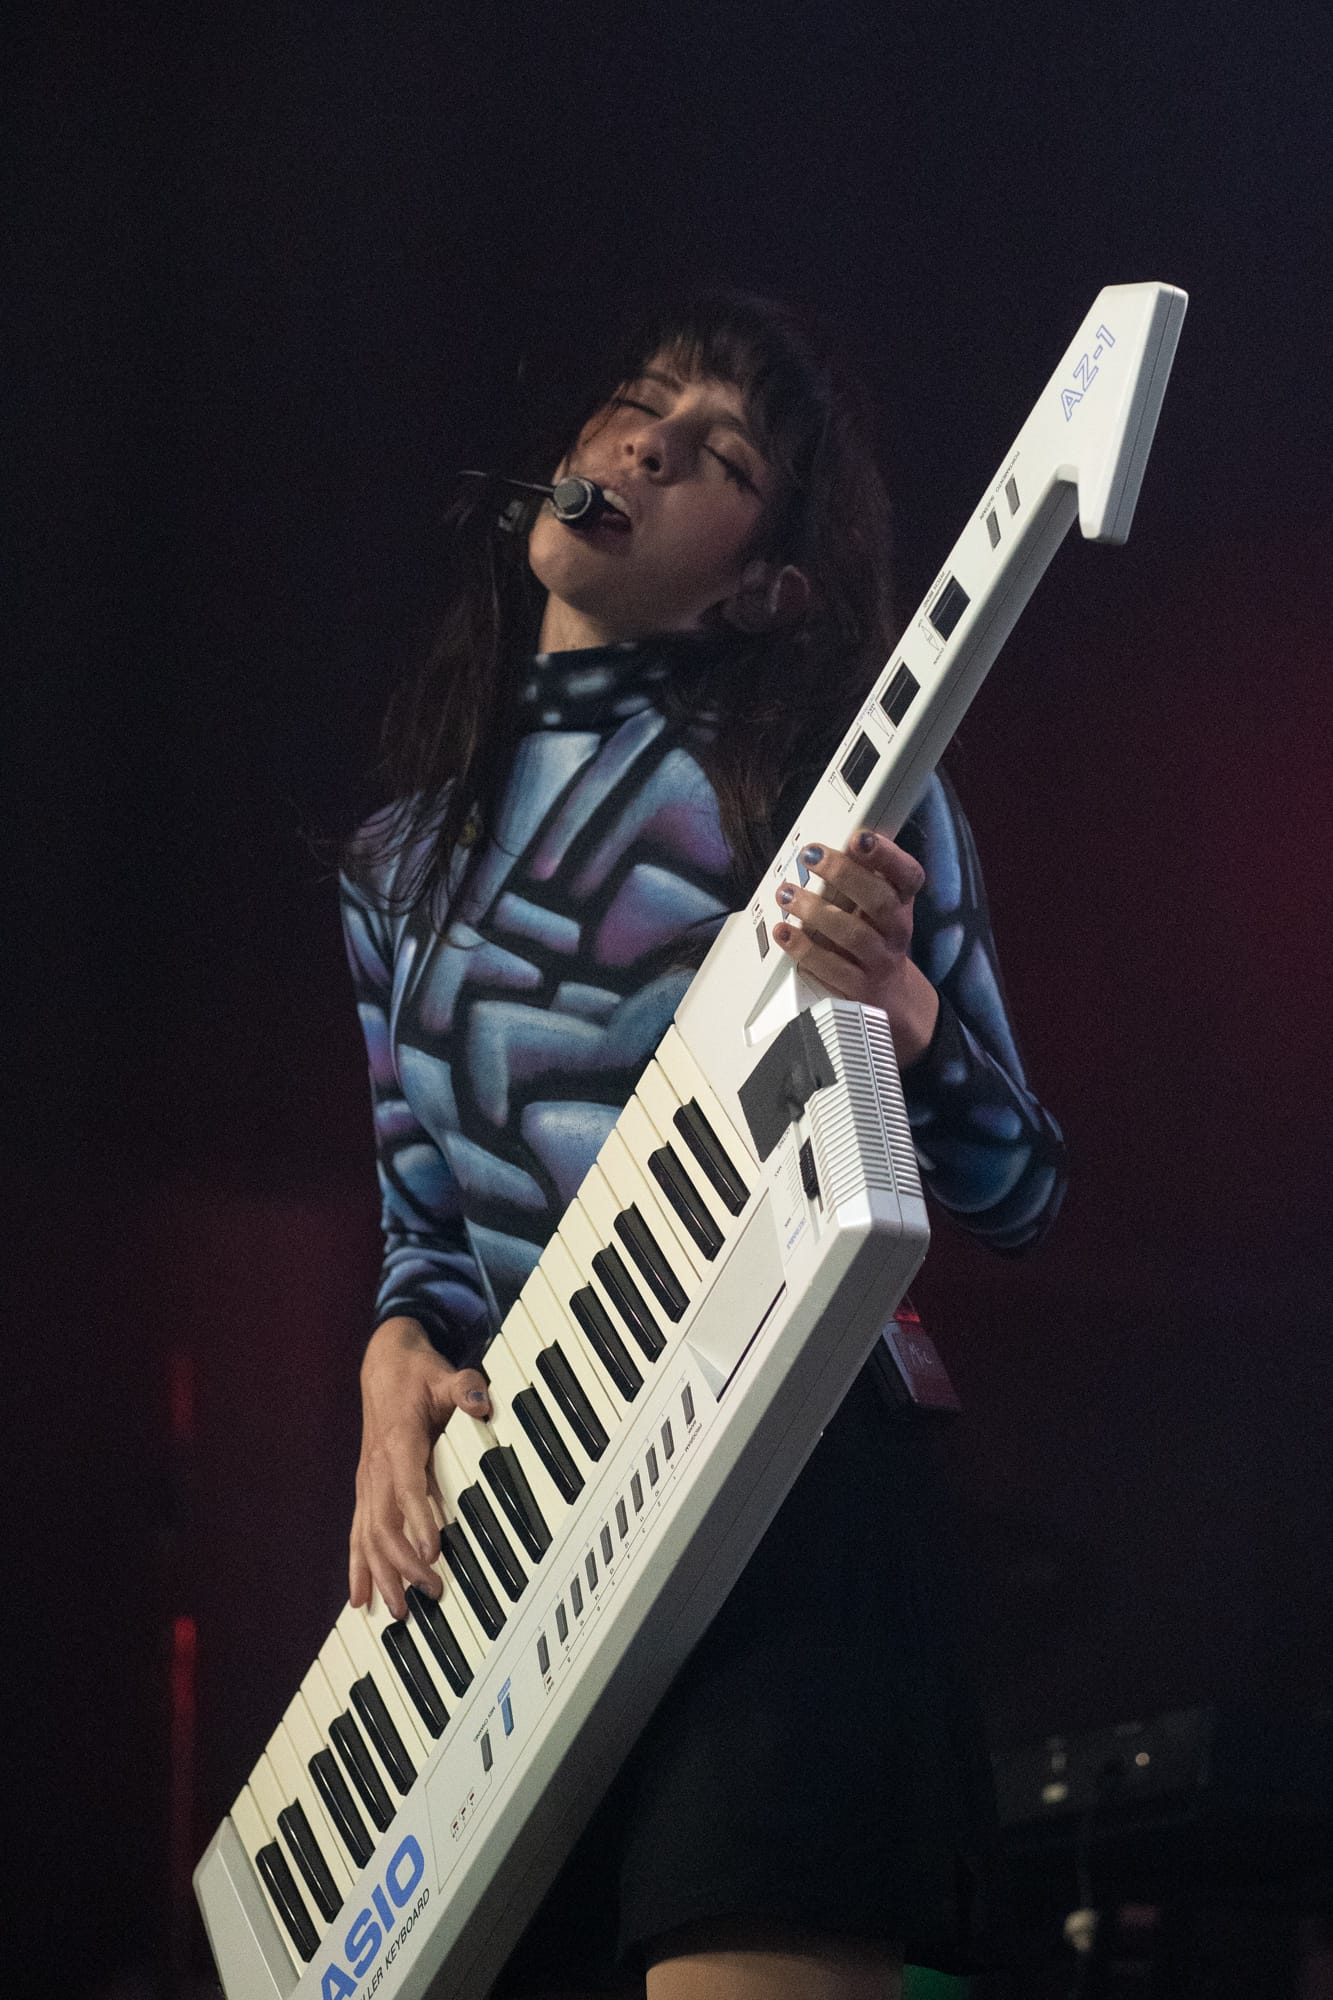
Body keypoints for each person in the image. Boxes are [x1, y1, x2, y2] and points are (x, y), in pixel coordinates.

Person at [339, 291, 1067, 1999]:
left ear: (767, 587)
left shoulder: (839, 787)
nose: (647, 442)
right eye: (637, 402)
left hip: (788, 1495)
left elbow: (1022, 1187)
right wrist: (389, 1358)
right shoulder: (393, 866)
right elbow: (427, 1230)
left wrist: (908, 1020)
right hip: (532, 1548)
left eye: (719, 453)